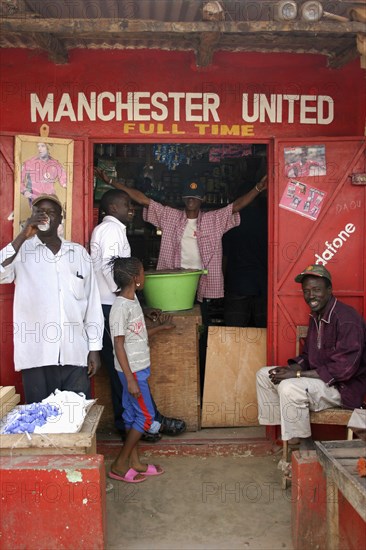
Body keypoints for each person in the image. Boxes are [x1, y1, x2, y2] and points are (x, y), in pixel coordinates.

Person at [90, 186, 186, 440]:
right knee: (125, 370)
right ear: (112, 208)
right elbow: (113, 272)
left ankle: (136, 422)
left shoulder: (107, 229)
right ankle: (144, 422)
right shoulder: (110, 230)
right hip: (111, 305)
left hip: (110, 304)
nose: (132, 210)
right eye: (126, 205)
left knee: (120, 371)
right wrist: (127, 294)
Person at [0, 194, 103, 403]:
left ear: (61, 218)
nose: (45, 217)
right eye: (40, 213)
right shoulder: (21, 251)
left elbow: (92, 303)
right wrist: (23, 235)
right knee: (40, 422)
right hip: (36, 354)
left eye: (51, 212)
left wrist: (94, 348)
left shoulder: (78, 254)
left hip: (74, 352)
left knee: (76, 419)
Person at [256, 264, 366, 449]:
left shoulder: (347, 319)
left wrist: (296, 376)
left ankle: (304, 444)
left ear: (329, 290)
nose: (311, 296)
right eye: (306, 291)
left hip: (342, 388)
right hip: (320, 381)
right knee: (264, 374)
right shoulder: (317, 315)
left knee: (290, 387)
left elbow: (343, 370)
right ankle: (287, 432)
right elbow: (308, 356)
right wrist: (292, 369)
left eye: (316, 290)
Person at [108, 256, 174, 483]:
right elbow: (118, 344)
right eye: (144, 272)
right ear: (136, 278)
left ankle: (135, 463)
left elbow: (138, 335)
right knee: (146, 417)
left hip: (137, 370)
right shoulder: (119, 308)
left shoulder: (133, 299)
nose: (145, 276)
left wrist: (162, 327)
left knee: (130, 415)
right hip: (132, 372)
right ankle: (119, 464)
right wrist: (130, 379)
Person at [223, 180, 268, 327]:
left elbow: (224, 256)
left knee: (234, 333)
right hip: (262, 284)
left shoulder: (233, 220)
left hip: (237, 284)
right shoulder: (267, 218)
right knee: (263, 334)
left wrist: (223, 284)